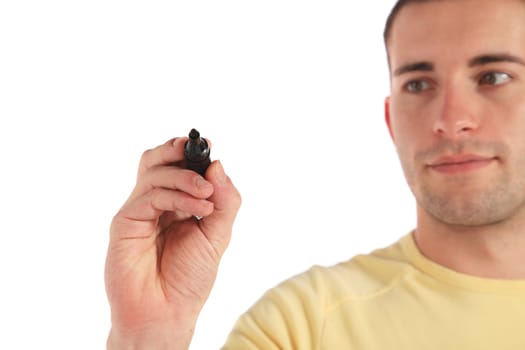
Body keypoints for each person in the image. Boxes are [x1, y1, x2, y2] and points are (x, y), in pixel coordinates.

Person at [104, 0, 525, 348]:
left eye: (495, 77)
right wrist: (148, 334)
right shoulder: (299, 328)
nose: (451, 120)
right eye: (417, 84)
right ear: (391, 120)